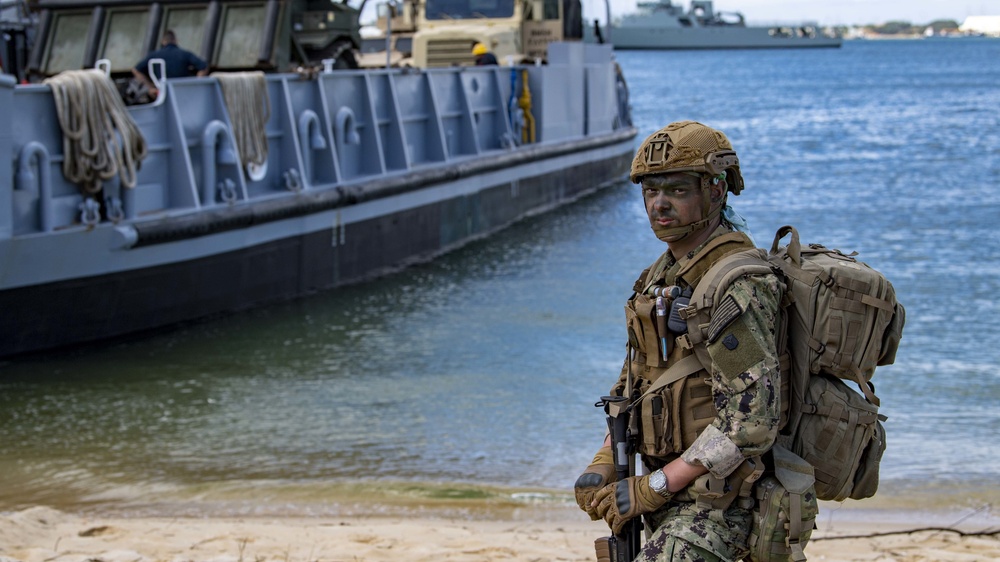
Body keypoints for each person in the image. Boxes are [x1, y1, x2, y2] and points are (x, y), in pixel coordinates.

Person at [574, 121, 784, 561]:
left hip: (726, 502)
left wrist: (654, 486)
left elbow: (752, 421)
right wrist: (604, 459)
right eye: (651, 191)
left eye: (678, 190)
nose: (659, 204)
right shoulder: (660, 277)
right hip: (673, 492)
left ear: (715, 191)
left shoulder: (737, 284)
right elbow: (636, 383)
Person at [132, 30, 208, 98]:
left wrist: (150, 87)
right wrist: (197, 84)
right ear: (175, 40)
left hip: (162, 91)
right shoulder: (185, 54)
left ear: (162, 41)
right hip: (183, 91)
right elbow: (203, 67)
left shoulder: (154, 56)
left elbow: (136, 70)